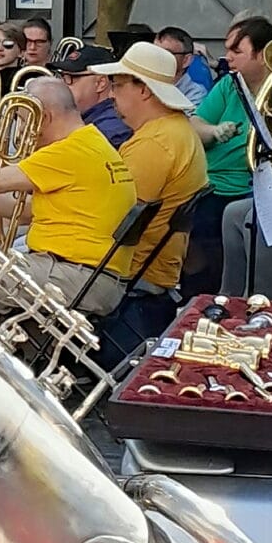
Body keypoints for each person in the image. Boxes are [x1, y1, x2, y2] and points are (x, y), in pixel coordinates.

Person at [0, 75, 135, 315]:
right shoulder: (92, 142)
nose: (24, 132)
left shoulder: (67, 151)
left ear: (44, 117)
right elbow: (28, 211)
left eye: (25, 122)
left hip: (78, 275)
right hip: (89, 275)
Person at [188, 15, 272, 295]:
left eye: (236, 51)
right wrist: (213, 131)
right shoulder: (228, 85)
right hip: (213, 184)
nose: (227, 58)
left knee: (216, 221)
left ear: (263, 55)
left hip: (255, 188)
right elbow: (194, 126)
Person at [89, 40, 209, 350]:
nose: (111, 93)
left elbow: (112, 217)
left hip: (128, 272)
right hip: (151, 269)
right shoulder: (174, 131)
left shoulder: (155, 143)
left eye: (117, 84)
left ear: (143, 90)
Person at [52, 41, 130, 147]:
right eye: (62, 76)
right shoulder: (91, 119)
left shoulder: (110, 129)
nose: (63, 85)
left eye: (71, 78)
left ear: (100, 83)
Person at [156, 24, 214, 93]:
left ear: (186, 60)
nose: (157, 57)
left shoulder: (196, 94)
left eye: (167, 53)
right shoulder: (145, 83)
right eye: (154, 51)